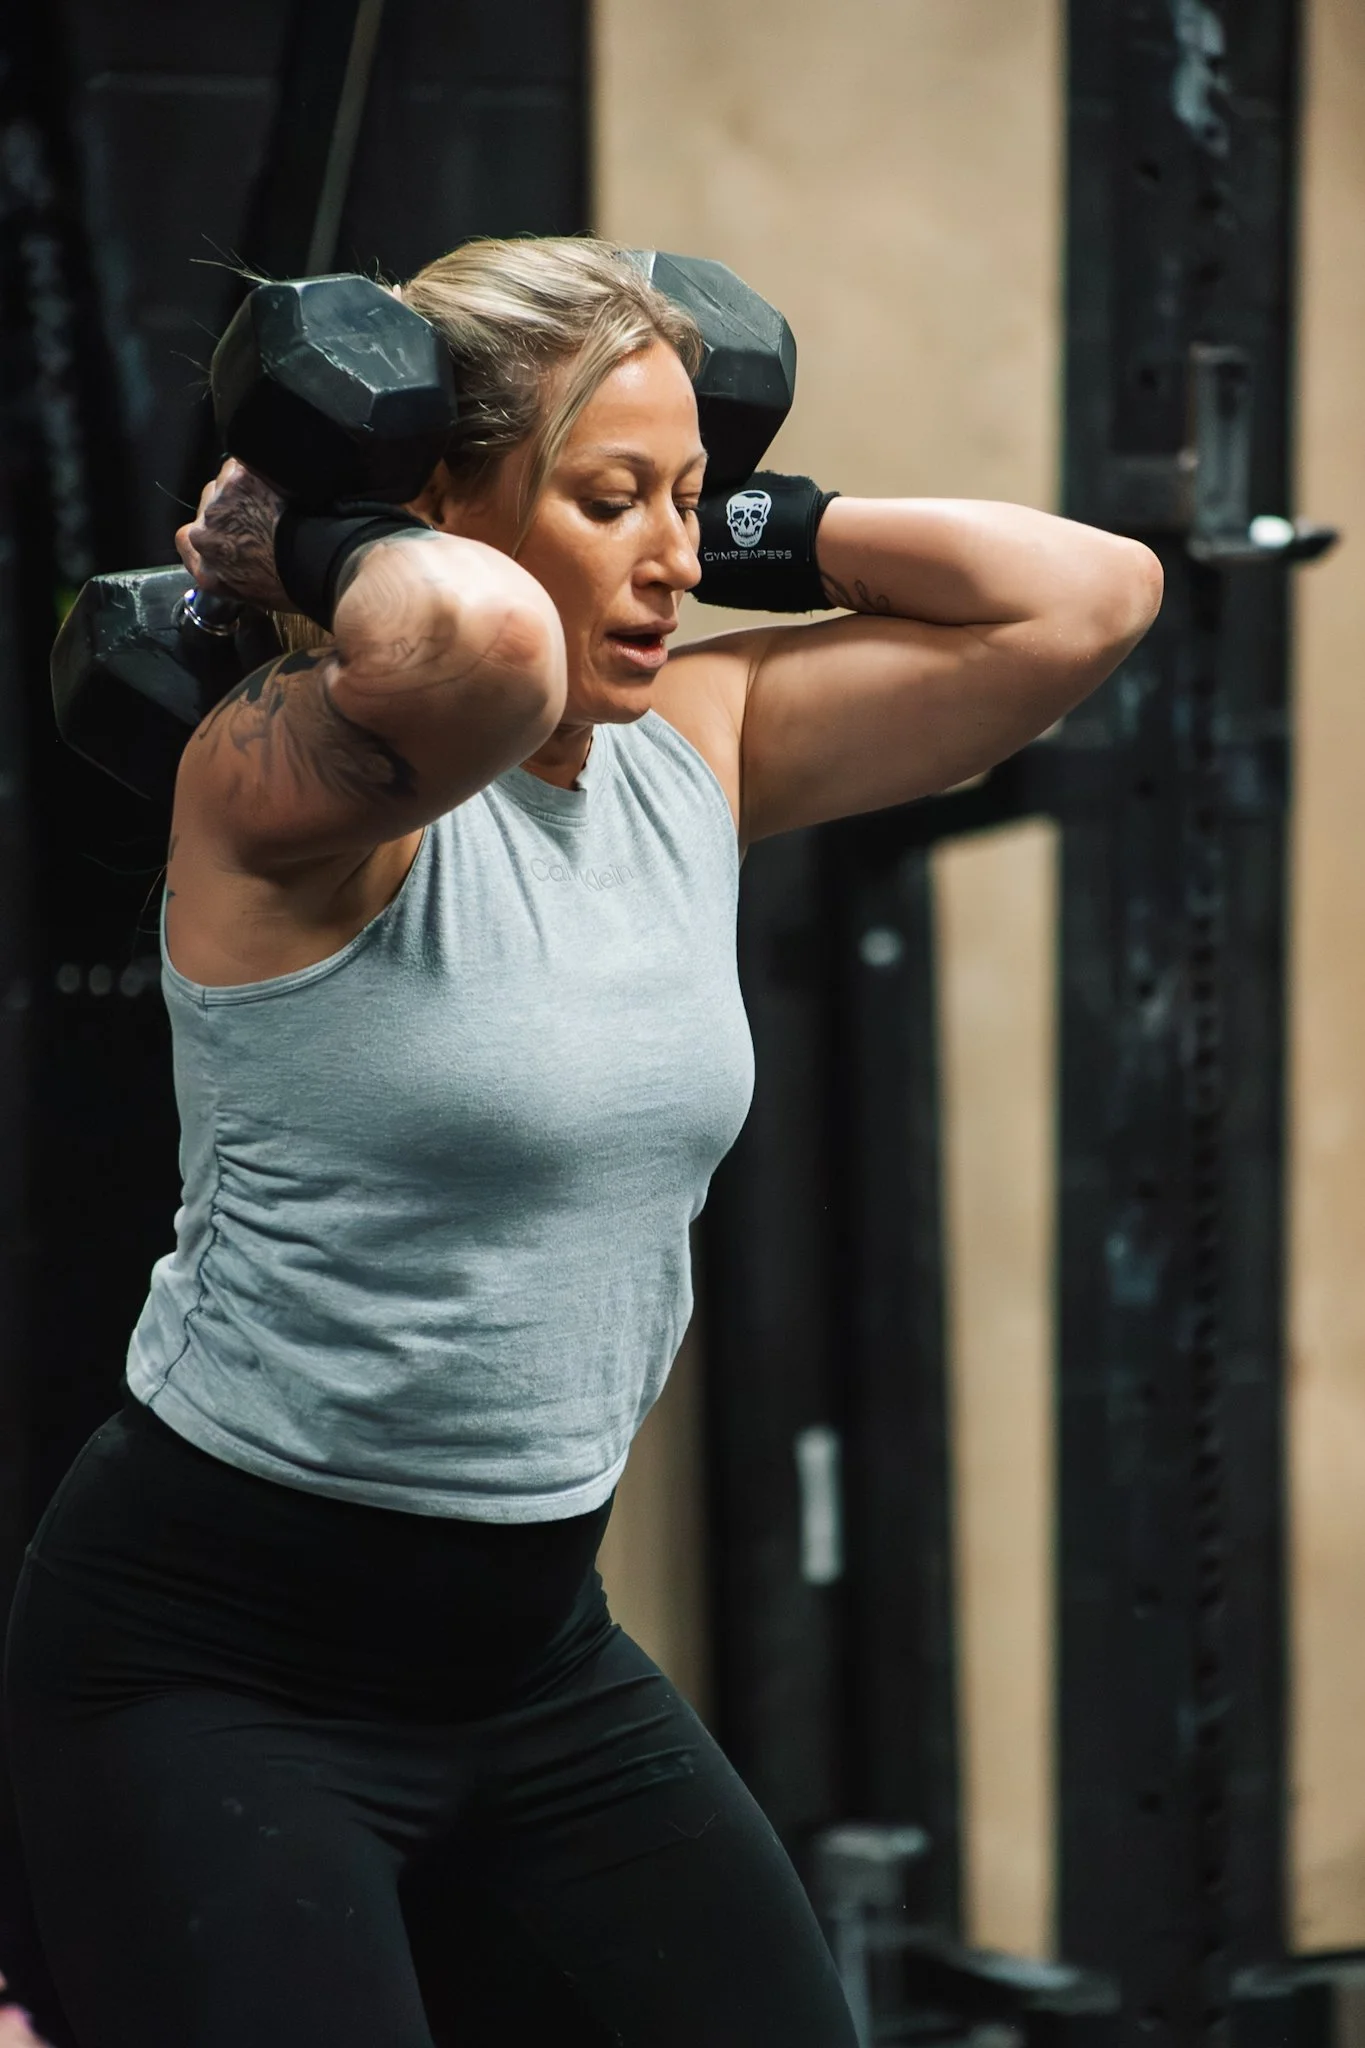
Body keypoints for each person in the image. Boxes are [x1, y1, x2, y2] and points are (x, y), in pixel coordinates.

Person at [3, 236, 1162, 2048]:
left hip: (530, 1658)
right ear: (439, 501)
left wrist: (742, 518)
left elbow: (1086, 598)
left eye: (700, 500)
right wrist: (300, 545)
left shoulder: (696, 745)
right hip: (215, 1670)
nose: (680, 561)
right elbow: (472, 649)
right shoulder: (286, 785)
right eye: (612, 497)